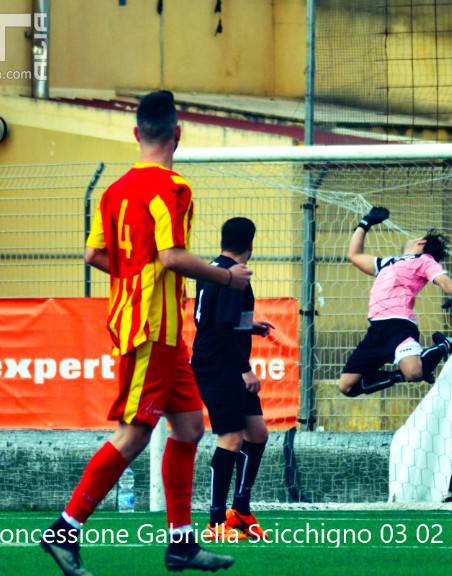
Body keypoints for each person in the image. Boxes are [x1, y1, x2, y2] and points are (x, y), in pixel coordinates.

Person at [41, 91, 249, 576]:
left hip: (164, 333)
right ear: (178, 134)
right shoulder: (174, 188)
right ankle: (65, 529)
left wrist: (136, 273)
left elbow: (94, 256)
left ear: (137, 134)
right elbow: (172, 257)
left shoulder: (112, 191)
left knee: (191, 427)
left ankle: (181, 545)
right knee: (134, 433)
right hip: (150, 329)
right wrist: (226, 277)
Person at [192, 217, 273, 542]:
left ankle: (240, 509)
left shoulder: (216, 269)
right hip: (219, 366)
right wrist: (245, 369)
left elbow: (217, 320)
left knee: (257, 433)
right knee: (231, 439)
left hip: (223, 360)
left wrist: (252, 327)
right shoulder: (233, 277)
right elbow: (223, 330)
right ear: (251, 242)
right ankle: (215, 522)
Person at [337, 207, 452, 396]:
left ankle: (444, 346)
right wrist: (365, 223)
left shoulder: (423, 260)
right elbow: (354, 255)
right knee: (347, 387)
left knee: (414, 373)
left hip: (399, 325)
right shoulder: (388, 262)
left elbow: (442, 278)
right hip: (376, 329)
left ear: (421, 242)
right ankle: (406, 372)